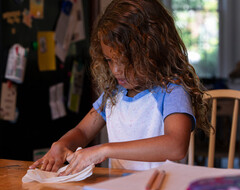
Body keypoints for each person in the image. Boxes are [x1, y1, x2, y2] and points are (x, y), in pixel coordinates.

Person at [30, 0, 210, 175]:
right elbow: (82, 131)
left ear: (153, 52)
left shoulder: (172, 91)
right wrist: (62, 144)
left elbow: (176, 146)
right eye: (109, 60)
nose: (116, 70)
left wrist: (104, 150)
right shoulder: (114, 94)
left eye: (125, 61)